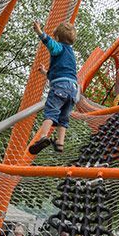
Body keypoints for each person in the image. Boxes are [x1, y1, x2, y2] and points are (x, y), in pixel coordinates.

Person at [28, 21, 79, 155]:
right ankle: (60, 143)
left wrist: (39, 32)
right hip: (73, 89)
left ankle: (43, 136)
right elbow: (62, 73)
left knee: (51, 111)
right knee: (64, 118)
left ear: (57, 37)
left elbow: (49, 43)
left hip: (60, 87)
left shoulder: (60, 47)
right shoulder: (71, 54)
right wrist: (45, 73)